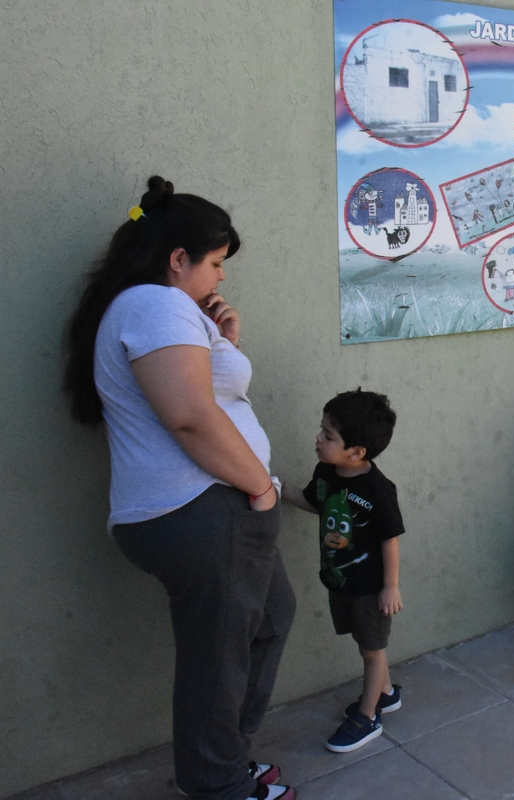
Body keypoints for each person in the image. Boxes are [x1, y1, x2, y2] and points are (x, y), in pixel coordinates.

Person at [63, 177, 295, 800]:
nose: (221, 276)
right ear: (177, 259)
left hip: (212, 509)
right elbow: (189, 416)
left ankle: (223, 761)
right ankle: (217, 783)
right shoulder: (154, 304)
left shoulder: (161, 310)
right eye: (215, 263)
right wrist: (261, 489)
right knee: (218, 659)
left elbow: (200, 394)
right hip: (205, 509)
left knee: (268, 620)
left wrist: (224, 342)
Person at [281, 389, 405, 753]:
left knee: (372, 650)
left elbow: (390, 539)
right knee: (366, 643)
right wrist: (277, 489)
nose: (318, 439)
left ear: (356, 452)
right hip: (340, 580)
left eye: (328, 435)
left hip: (370, 588)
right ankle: (385, 693)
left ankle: (367, 717)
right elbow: (313, 502)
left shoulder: (378, 490)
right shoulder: (326, 472)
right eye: (321, 430)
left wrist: (391, 586)